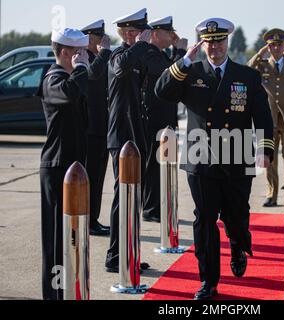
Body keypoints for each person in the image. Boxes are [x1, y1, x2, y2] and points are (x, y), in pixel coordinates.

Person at [155, 18, 274, 300]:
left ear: (227, 42)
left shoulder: (246, 75)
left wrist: (265, 148)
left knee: (236, 216)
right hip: (202, 158)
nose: (215, 47)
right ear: (202, 43)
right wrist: (183, 61)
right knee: (204, 220)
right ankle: (208, 281)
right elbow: (162, 91)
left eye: (219, 41)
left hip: (237, 156)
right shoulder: (191, 72)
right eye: (209, 41)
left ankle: (237, 243)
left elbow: (263, 115)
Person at [39, 28, 89, 300]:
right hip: (58, 168)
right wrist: (80, 70)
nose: (84, 57)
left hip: (72, 168)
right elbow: (69, 94)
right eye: (80, 53)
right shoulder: (53, 79)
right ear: (67, 53)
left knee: (70, 239)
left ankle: (68, 290)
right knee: (56, 241)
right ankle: (54, 295)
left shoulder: (70, 77)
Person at [106, 8, 152, 273]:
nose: (143, 36)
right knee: (122, 197)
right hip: (122, 136)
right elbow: (122, 68)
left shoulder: (138, 55)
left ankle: (129, 252)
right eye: (137, 32)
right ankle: (115, 256)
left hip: (137, 135)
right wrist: (140, 45)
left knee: (133, 199)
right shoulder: (118, 55)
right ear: (126, 33)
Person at [248, 30, 284, 207]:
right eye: (272, 45)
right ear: (268, 46)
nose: (276, 48)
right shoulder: (262, 66)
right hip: (269, 119)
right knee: (269, 159)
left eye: (279, 44)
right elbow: (246, 70)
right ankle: (271, 193)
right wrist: (260, 54)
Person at [142, 16, 188, 223]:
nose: (172, 36)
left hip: (163, 119)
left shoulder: (158, 54)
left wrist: (175, 50)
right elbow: (171, 74)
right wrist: (180, 51)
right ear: (155, 34)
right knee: (153, 165)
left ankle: (155, 206)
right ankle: (150, 209)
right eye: (168, 33)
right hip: (154, 120)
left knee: (159, 165)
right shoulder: (149, 54)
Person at [80, 19, 112, 237]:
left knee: (98, 175)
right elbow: (92, 76)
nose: (102, 41)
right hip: (89, 129)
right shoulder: (83, 59)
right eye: (99, 37)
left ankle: (93, 218)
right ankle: (88, 220)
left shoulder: (98, 58)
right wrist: (104, 54)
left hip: (101, 127)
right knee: (90, 175)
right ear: (90, 38)